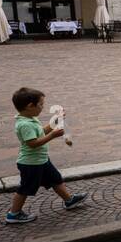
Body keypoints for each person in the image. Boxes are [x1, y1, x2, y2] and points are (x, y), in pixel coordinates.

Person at [6, 87, 87, 223]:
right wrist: (53, 135)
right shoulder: (25, 124)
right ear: (30, 106)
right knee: (25, 188)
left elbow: (40, 132)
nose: (43, 107)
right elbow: (33, 143)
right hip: (31, 164)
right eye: (41, 105)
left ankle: (69, 200)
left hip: (40, 160)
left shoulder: (31, 118)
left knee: (56, 179)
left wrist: (54, 122)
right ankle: (13, 214)